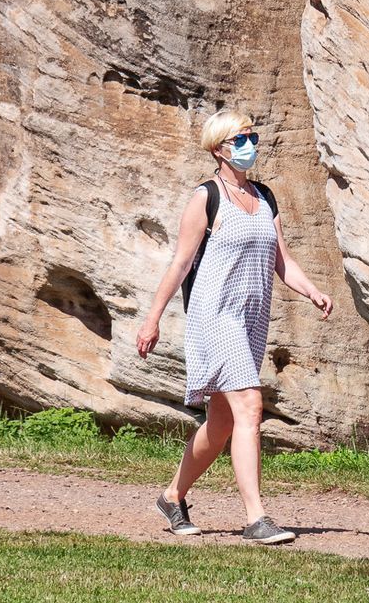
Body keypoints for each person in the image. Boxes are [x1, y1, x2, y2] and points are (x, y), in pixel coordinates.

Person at [137, 109, 333, 544]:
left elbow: (283, 260)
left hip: (250, 319)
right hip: (214, 315)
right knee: (250, 407)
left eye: (252, 136)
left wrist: (312, 291)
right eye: (240, 138)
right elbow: (181, 263)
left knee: (222, 421)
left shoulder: (265, 197)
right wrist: (152, 318)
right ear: (218, 148)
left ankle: (172, 496)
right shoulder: (205, 197)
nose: (250, 144)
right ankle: (255, 518)